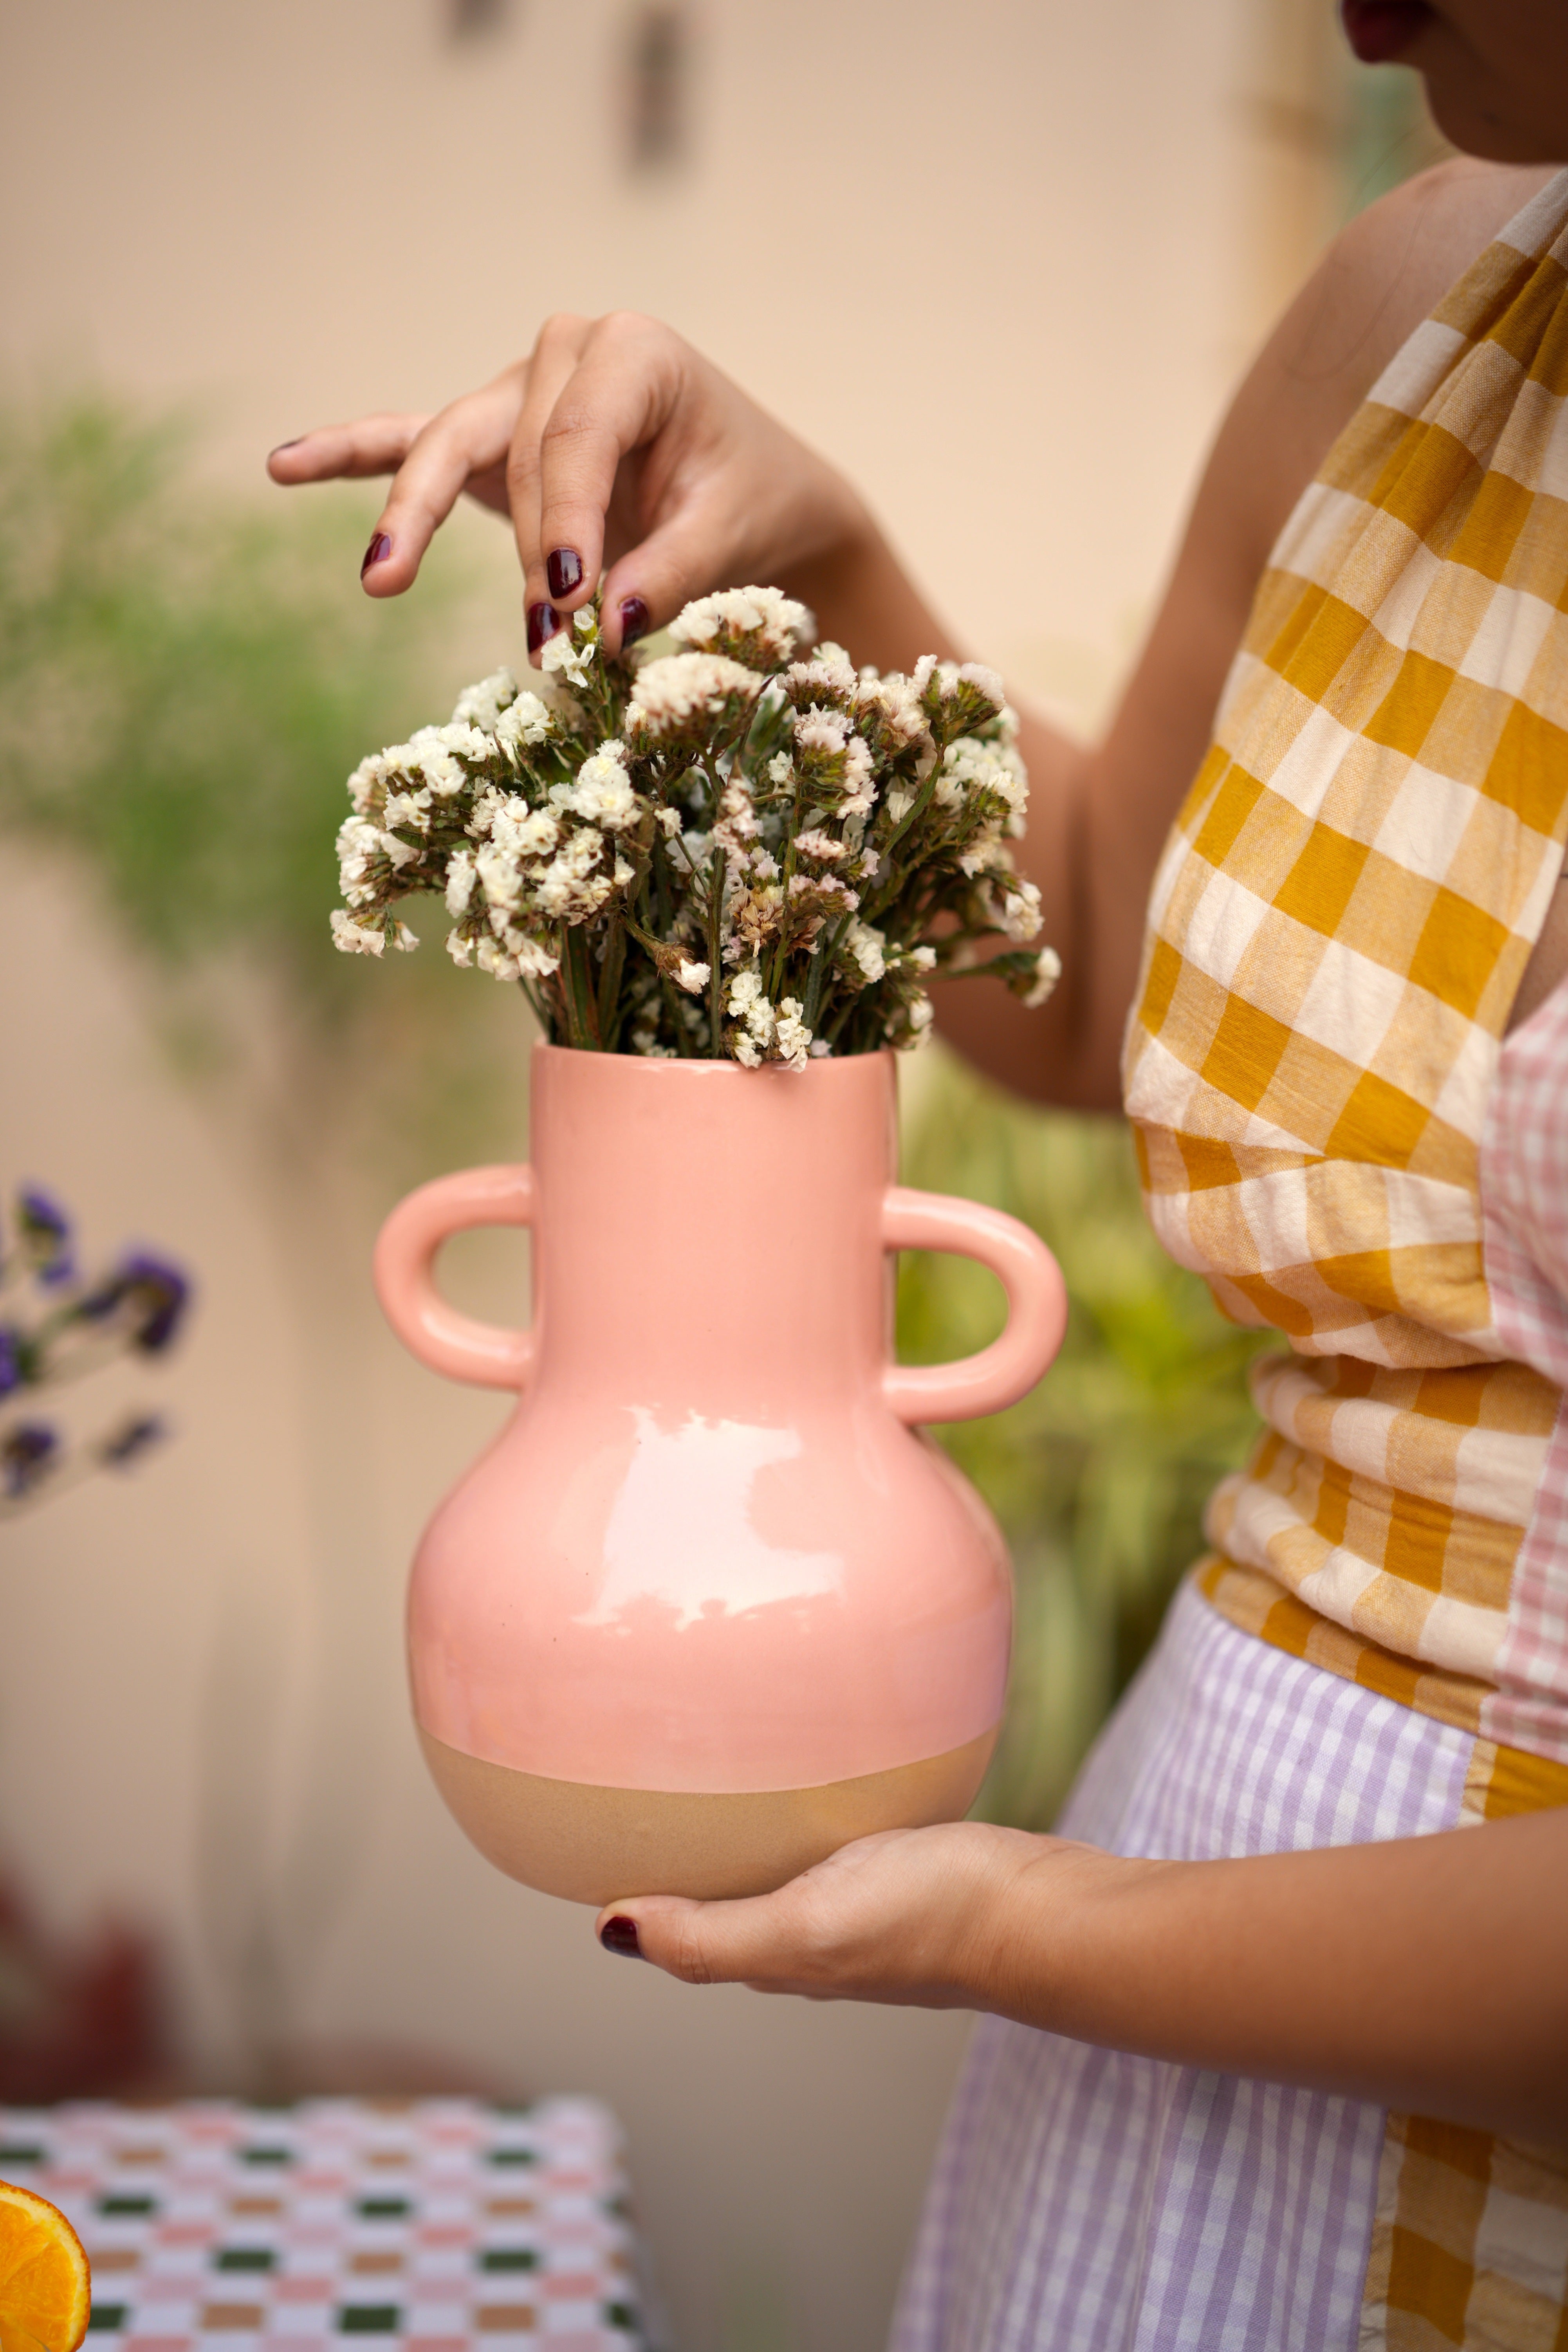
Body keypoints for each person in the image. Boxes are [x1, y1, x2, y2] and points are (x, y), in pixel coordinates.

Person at [271, 4, 1568, 2343]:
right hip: (1168, 2070)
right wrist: (811, 534)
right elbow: (1088, 963)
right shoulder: (1422, 305)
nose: (1345, 15)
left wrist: (1009, 1921)